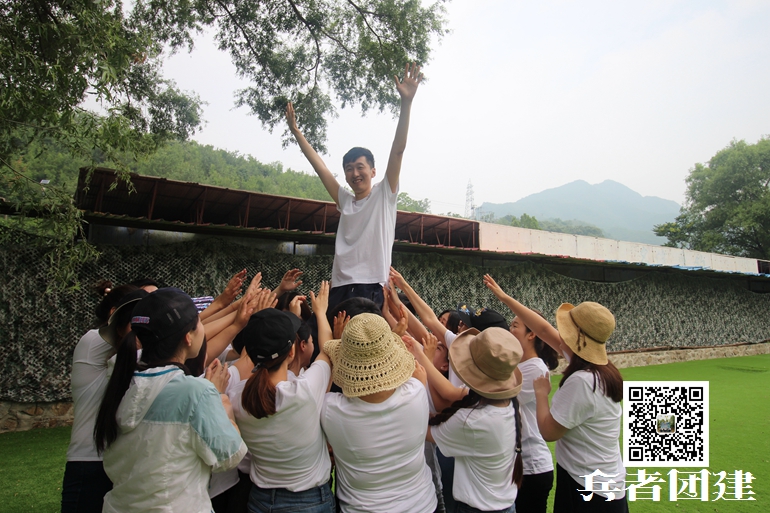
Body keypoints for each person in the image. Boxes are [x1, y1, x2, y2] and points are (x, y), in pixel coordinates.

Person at [94, 288, 247, 513]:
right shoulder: (195, 392)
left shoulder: (118, 379)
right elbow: (230, 455)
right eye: (199, 322)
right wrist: (220, 399)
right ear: (188, 337)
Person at [483, 274, 627, 512]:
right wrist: (504, 297)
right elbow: (541, 328)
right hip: (606, 481)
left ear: (577, 338)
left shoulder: (582, 381)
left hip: (588, 486)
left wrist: (542, 394)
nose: (560, 334)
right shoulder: (601, 369)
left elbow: (549, 431)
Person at [286, 63, 422, 309]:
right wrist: (296, 133)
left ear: (373, 171)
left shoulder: (384, 194)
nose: (354, 173)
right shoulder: (346, 200)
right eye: (349, 168)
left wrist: (407, 103)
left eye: (360, 167)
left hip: (371, 285)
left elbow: (398, 151)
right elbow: (321, 169)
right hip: (340, 285)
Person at [232, 282, 335, 513]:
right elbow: (328, 350)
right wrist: (320, 311)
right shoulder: (305, 389)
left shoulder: (236, 395)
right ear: (292, 352)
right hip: (309, 502)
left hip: (259, 501)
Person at [321, 313, 437, 513]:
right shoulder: (416, 391)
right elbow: (412, 379)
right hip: (423, 505)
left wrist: (336, 350)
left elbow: (322, 377)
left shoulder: (330, 409)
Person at [62, 286, 145, 513]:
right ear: (116, 318)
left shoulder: (134, 360)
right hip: (88, 463)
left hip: (120, 463)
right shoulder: (91, 342)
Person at [426, 327, 524, 513]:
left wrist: (424, 366)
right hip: (505, 506)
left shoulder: (474, 420)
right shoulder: (508, 404)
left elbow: (426, 432)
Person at [508, 312, 559, 513]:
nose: (509, 331)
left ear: (531, 335)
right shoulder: (519, 366)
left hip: (532, 467)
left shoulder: (535, 369)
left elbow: (501, 397)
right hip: (518, 466)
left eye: (514, 326)